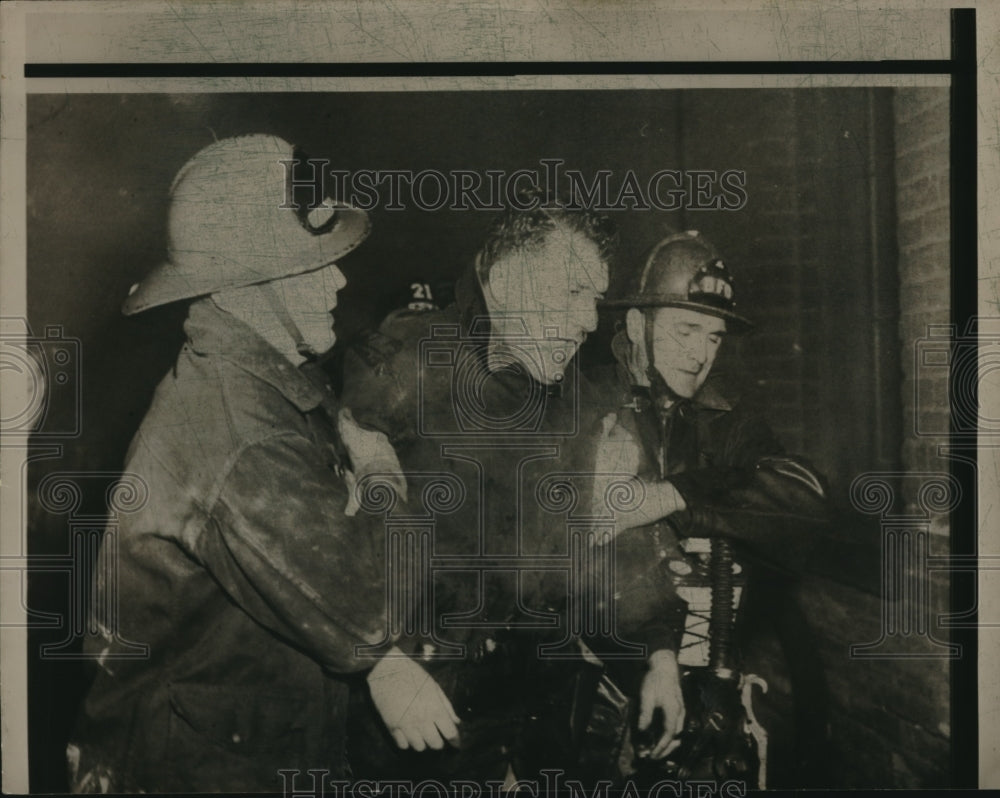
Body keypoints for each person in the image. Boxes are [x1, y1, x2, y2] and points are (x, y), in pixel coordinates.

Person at [66, 134, 432, 793]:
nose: (340, 278)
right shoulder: (241, 426)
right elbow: (372, 607)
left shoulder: (257, 386)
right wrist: (379, 475)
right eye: (308, 265)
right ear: (242, 284)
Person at [339, 196, 690, 786]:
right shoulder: (405, 366)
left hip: (534, 721)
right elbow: (323, 542)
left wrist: (659, 652)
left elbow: (608, 531)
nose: (586, 320)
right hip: (419, 724)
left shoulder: (577, 400)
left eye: (594, 301)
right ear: (502, 282)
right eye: (570, 293)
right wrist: (376, 658)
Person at [593, 229, 869, 783]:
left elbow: (806, 495)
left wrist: (670, 496)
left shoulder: (730, 420)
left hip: (707, 688)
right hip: (600, 683)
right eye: (686, 330)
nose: (700, 354)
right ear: (635, 327)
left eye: (714, 337)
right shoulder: (587, 405)